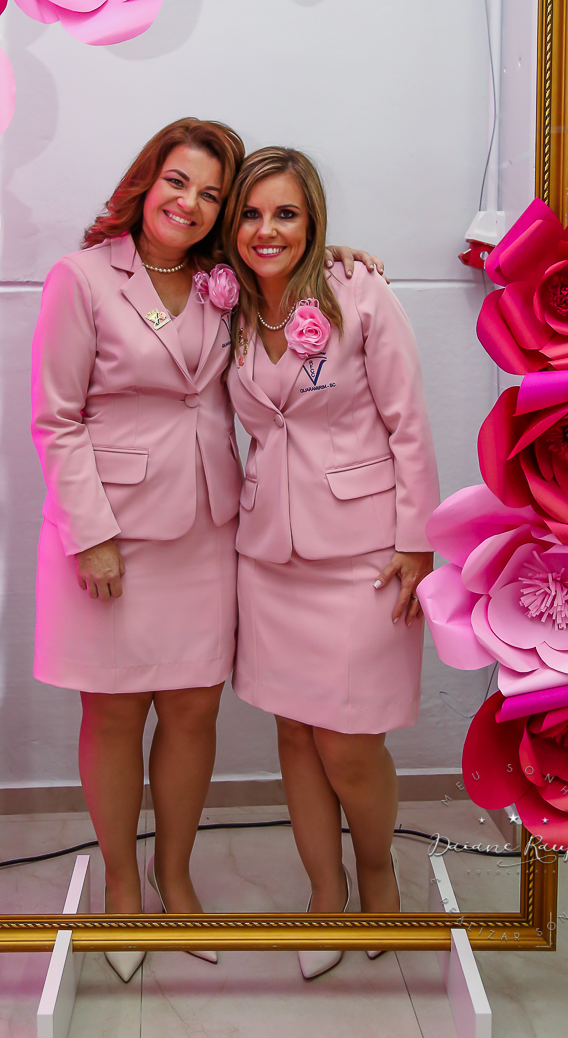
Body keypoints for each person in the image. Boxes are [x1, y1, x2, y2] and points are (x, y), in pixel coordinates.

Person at [30, 119, 380, 981]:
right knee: (114, 715)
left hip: (207, 530)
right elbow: (55, 419)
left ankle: (175, 878)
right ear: (146, 182)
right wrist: (92, 536)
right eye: (178, 182)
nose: (190, 204)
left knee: (193, 713)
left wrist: (337, 259)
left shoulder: (225, 281)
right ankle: (122, 889)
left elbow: (291, 279)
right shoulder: (82, 278)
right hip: (108, 535)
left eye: (212, 195)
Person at [223, 147, 439, 980]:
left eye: (285, 213)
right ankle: (325, 892)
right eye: (251, 213)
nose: (266, 230)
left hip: (365, 554)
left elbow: (410, 424)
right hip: (268, 554)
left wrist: (416, 543)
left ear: (313, 220)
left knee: (349, 745)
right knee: (293, 734)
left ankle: (377, 874)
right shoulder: (227, 304)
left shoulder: (361, 294)